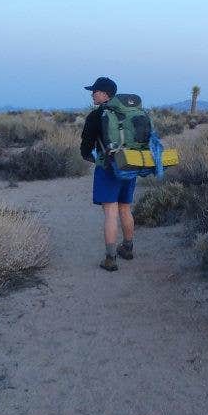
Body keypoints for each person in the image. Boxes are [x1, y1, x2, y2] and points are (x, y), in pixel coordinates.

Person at [79, 76, 136, 272]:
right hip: (129, 164)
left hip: (108, 167)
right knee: (125, 208)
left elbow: (85, 147)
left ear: (105, 94)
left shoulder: (96, 116)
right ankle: (127, 248)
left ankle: (110, 259)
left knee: (111, 212)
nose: (92, 95)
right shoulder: (127, 113)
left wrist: (92, 157)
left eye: (94, 91)